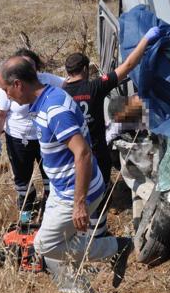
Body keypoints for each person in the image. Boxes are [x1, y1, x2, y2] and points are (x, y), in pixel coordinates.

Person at [0, 56, 133, 293]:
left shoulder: (54, 109)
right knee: (53, 245)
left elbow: (82, 152)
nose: (6, 96)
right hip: (63, 190)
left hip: (74, 193)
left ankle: (116, 247)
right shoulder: (46, 99)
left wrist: (79, 203)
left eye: (6, 90)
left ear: (18, 84)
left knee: (44, 246)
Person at [62, 26, 161, 181]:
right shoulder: (95, 87)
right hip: (97, 151)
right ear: (84, 69)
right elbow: (127, 66)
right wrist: (146, 39)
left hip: (72, 153)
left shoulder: (60, 94)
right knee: (101, 186)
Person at [0, 48, 64, 225]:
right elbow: (0, 114)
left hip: (44, 136)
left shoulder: (48, 81)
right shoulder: (9, 87)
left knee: (48, 171)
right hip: (18, 137)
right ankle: (26, 205)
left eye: (30, 66)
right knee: (22, 175)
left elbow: (68, 85)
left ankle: (50, 203)